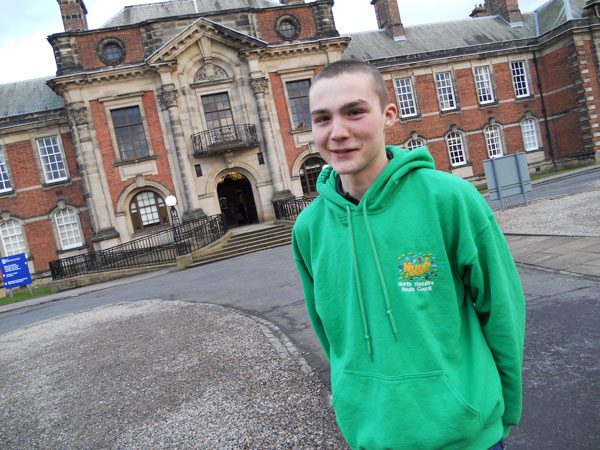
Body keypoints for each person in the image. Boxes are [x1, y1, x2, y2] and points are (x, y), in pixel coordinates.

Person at [292, 60, 525, 450]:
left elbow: (502, 310)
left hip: (467, 437)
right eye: (322, 119)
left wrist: (503, 413)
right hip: (373, 437)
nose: (338, 132)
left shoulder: (450, 200)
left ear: (389, 115)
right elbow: (333, 336)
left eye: (354, 112)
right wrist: (354, 407)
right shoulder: (309, 229)